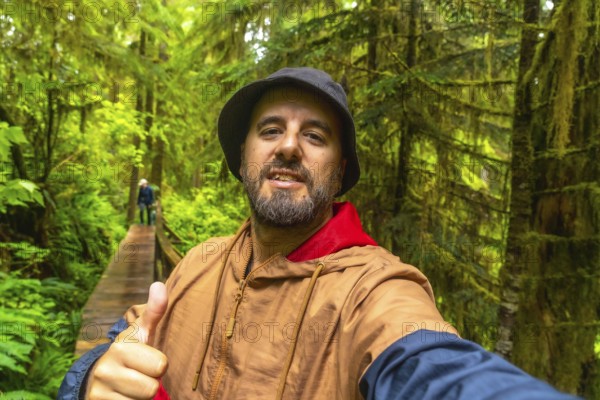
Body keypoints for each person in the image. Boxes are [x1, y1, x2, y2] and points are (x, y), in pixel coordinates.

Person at [58, 68, 578, 400]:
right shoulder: (199, 262)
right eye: (269, 130)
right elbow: (115, 347)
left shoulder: (374, 292)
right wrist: (91, 380)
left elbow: (426, 366)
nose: (287, 146)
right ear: (243, 159)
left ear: (340, 168)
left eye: (314, 135)